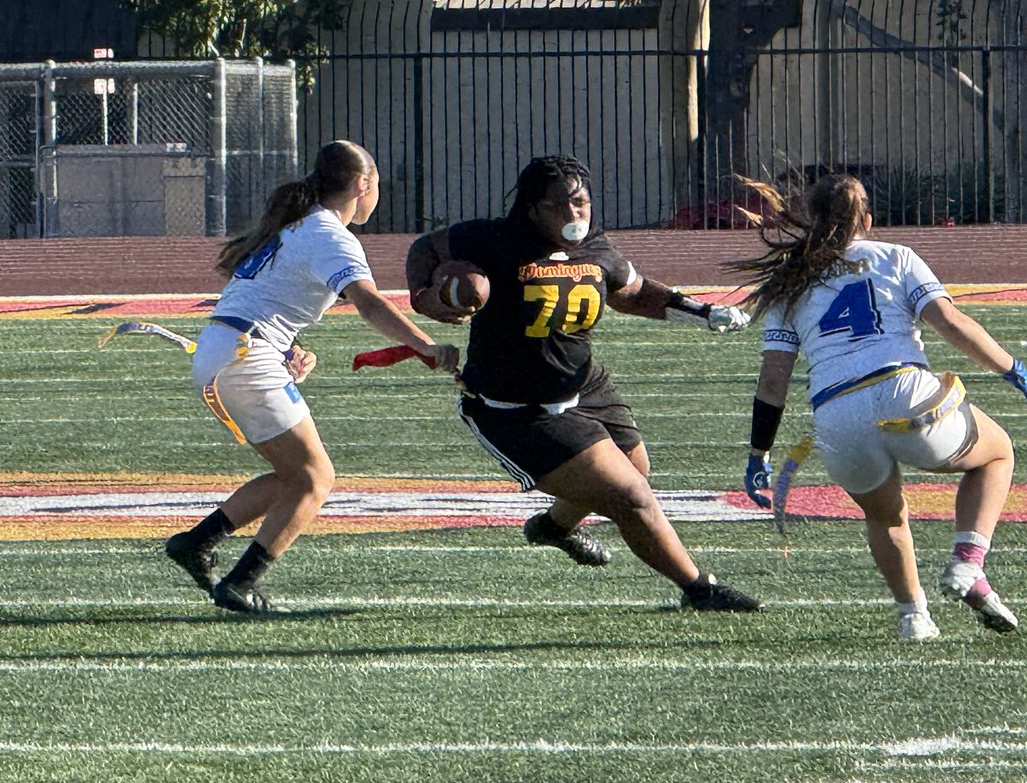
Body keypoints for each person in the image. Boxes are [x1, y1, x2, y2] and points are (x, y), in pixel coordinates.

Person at [406, 154, 761, 612]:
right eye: (561, 205)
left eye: (581, 203)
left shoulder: (594, 246)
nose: (575, 214)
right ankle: (699, 588)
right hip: (518, 409)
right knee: (631, 497)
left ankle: (554, 527)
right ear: (532, 209)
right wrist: (424, 296)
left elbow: (633, 292)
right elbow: (424, 248)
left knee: (637, 472)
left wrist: (701, 312)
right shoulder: (490, 239)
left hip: (585, 385)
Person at [166, 140, 459, 614]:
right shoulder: (328, 233)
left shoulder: (295, 226)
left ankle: (196, 544)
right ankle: (241, 583)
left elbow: (264, 299)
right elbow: (369, 302)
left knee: (294, 474)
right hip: (243, 357)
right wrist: (424, 345)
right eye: (376, 184)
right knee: (315, 478)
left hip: (224, 350)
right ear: (363, 184)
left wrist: (287, 348)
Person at [736, 172, 1020, 641]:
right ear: (867, 219)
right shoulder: (896, 256)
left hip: (835, 413)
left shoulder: (790, 282)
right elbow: (949, 321)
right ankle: (968, 565)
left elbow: (773, 380)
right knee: (997, 453)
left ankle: (913, 617)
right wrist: (1013, 369)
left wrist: (758, 453)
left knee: (885, 515)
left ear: (811, 219)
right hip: (903, 392)